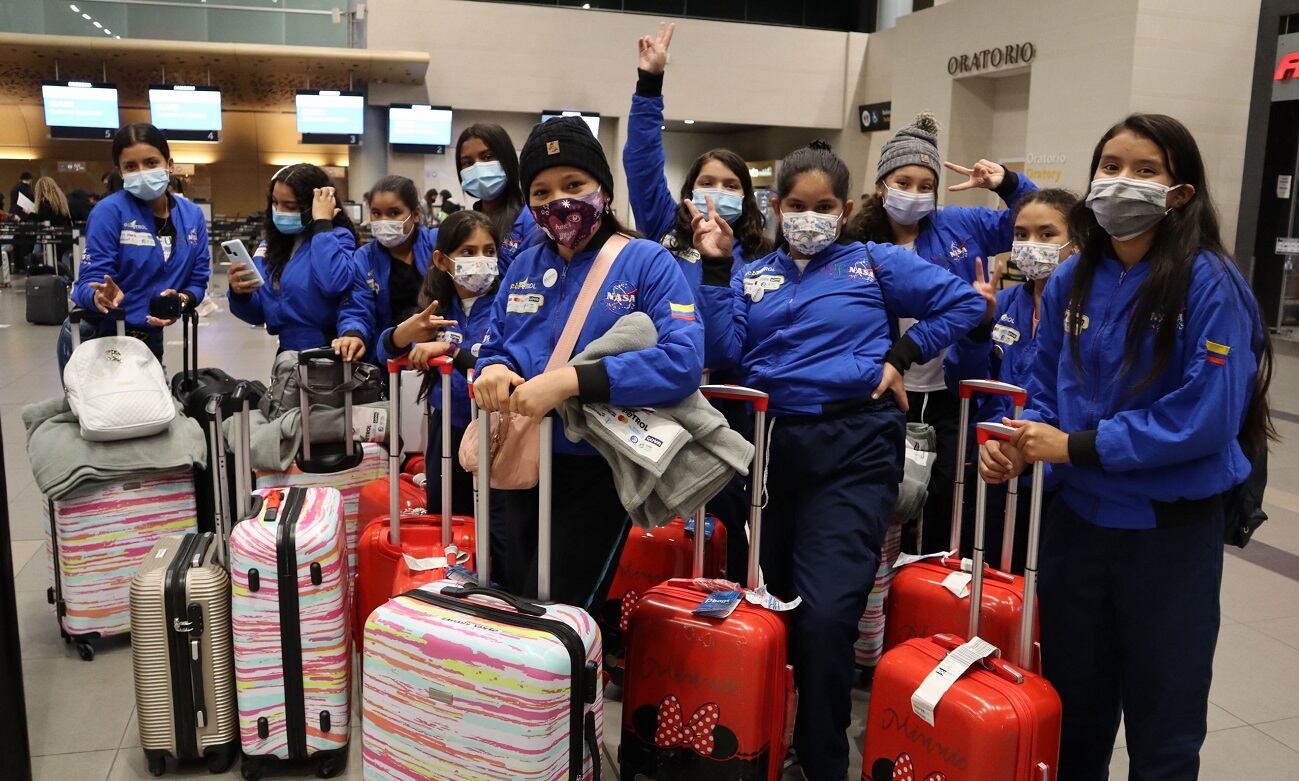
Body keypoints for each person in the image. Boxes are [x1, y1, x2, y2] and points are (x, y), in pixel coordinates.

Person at [980, 114, 1274, 780]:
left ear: (1180, 193)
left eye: (1145, 170)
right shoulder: (1071, 278)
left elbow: (1204, 416)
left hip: (1166, 539)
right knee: (1073, 714)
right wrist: (1020, 445)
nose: (1121, 181)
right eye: (1110, 165)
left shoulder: (1209, 285)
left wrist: (1074, 446)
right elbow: (1045, 385)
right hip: (1076, 530)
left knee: (1163, 726)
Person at [696, 140, 984, 781]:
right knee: (774, 605)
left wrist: (903, 356)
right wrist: (716, 270)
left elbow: (964, 303)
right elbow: (723, 348)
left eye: (823, 206)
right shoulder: (752, 273)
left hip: (856, 444)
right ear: (776, 207)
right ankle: (768, 735)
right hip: (771, 448)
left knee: (828, 614)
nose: (809, 217)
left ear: (846, 207)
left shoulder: (871, 262)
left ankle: (822, 760)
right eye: (796, 205)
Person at [473, 116, 704, 609]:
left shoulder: (647, 261)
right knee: (517, 601)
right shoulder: (524, 266)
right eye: (541, 191)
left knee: (564, 613)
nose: (559, 201)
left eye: (574, 184)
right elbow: (494, 346)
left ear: (603, 187)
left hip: (599, 467)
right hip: (522, 464)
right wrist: (489, 369)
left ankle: (572, 688)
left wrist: (572, 382)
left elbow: (682, 361)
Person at [846, 112, 1039, 556]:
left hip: (951, 393)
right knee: (881, 501)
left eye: (924, 185)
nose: (914, 194)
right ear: (881, 185)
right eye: (903, 181)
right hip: (880, 392)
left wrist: (1007, 183)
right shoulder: (858, 245)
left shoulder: (959, 225)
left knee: (945, 504)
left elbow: (1036, 216)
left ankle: (928, 581)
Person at [624, 21, 772, 580]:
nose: (719, 192)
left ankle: (724, 608)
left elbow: (731, 343)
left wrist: (719, 265)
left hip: (724, 410)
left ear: (748, 199)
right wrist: (648, 85)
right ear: (688, 194)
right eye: (708, 181)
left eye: (732, 185)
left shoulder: (759, 262)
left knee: (727, 522)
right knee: (656, 519)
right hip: (659, 400)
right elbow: (640, 163)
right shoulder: (664, 229)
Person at [945, 188, 1080, 571]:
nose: (1031, 245)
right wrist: (977, 329)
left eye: (1047, 234)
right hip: (995, 468)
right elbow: (962, 382)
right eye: (1021, 235)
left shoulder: (1091, 314)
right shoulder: (1003, 304)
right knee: (986, 589)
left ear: (1077, 241)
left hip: (1057, 479)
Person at [376, 209, 509, 578]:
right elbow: (385, 349)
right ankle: (448, 585)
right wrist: (404, 335)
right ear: (441, 259)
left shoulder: (508, 305)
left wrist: (450, 351)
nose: (479, 261)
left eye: (488, 250)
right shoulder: (436, 308)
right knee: (447, 519)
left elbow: (502, 360)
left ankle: (495, 590)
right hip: (445, 432)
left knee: (495, 526)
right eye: (467, 252)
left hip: (494, 435)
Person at [60, 123, 210, 375]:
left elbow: (198, 281)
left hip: (150, 338)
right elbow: (88, 282)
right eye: (131, 166)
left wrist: (180, 301)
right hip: (98, 335)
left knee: (153, 411)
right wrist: (100, 297)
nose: (142, 172)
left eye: (151, 163)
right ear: (120, 170)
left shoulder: (191, 216)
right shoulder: (109, 212)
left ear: (169, 164)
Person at [226, 163, 368, 354]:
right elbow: (259, 313)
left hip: (326, 352)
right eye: (275, 202)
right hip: (286, 353)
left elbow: (333, 284)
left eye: (290, 205)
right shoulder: (270, 246)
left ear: (313, 205)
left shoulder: (337, 237)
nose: (280, 211)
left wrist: (322, 224)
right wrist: (240, 295)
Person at [341, 175, 436, 361]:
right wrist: (353, 334)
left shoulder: (436, 244)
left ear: (415, 214)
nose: (384, 221)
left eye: (394, 213)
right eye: (376, 213)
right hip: (387, 353)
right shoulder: (364, 257)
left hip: (435, 351)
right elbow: (357, 307)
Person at [455, 123, 544, 272]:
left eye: (488, 157)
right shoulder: (465, 223)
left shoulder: (531, 221)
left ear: (507, 160)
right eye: (468, 163)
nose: (478, 167)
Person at [24, 176, 75, 267]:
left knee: (51, 262)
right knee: (63, 262)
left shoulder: (45, 202)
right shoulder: (61, 199)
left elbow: (45, 218)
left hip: (52, 237)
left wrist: (30, 213)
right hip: (65, 235)